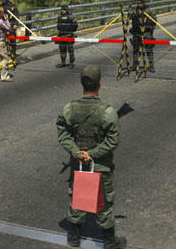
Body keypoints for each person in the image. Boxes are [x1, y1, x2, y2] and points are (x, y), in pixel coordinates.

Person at [57, 65, 127, 249]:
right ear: (100, 83)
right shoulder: (107, 112)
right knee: (103, 199)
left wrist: (77, 153)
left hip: (78, 162)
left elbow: (63, 133)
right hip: (100, 164)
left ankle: (74, 237)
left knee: (78, 196)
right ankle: (110, 241)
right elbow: (112, 141)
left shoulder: (70, 108)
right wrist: (92, 154)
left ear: (82, 83)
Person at [129, 0, 156, 72]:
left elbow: (154, 22)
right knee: (135, 49)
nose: (139, 5)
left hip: (146, 33)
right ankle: (135, 65)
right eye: (137, 3)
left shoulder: (149, 11)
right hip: (136, 33)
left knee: (149, 50)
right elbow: (130, 18)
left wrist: (145, 25)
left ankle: (151, 66)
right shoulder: (135, 11)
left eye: (140, 3)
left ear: (144, 3)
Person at [0, 0, 19, 69]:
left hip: (10, 27)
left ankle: (14, 61)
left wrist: (16, 24)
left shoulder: (12, 5)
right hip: (2, 28)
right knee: (3, 45)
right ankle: (4, 63)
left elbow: (16, 15)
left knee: (12, 44)